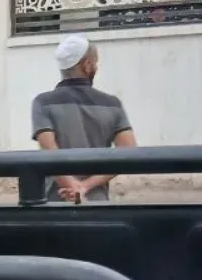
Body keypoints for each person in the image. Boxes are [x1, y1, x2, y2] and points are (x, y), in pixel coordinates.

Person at [32, 35, 137, 203]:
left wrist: (72, 186)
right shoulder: (112, 104)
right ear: (87, 65)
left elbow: (49, 152)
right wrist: (85, 187)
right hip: (96, 202)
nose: (96, 66)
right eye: (95, 62)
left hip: (56, 202)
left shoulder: (43, 103)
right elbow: (129, 152)